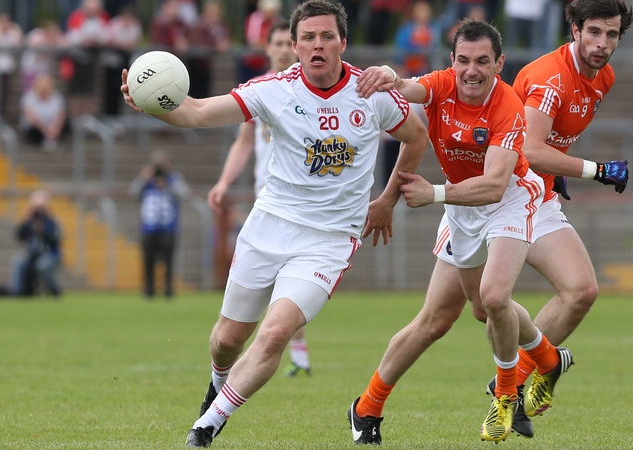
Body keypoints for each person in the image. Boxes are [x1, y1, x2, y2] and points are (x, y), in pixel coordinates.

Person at [120, 1, 429, 447]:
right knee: (227, 341)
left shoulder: (373, 92)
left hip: (329, 241)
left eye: (326, 37)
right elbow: (198, 112)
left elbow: (416, 136)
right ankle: (218, 382)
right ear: (296, 44)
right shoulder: (273, 89)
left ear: (343, 41)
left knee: (276, 333)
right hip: (270, 226)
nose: (317, 45)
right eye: (308, 37)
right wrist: (149, 102)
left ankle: (205, 427)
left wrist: (386, 200)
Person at [353, 0, 633, 441]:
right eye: (594, 32)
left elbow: (508, 175)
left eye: (611, 35)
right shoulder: (546, 82)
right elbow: (408, 88)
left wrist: (434, 192)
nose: (602, 43)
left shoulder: (590, 81)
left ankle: (509, 391)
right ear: (574, 29)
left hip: (516, 196)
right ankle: (367, 406)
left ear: (498, 64)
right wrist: (389, 75)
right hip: (468, 203)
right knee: (449, 316)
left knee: (550, 292)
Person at [206, 21, 312, 378]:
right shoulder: (260, 90)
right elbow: (244, 141)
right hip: (266, 200)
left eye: (288, 42)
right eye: (278, 43)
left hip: (303, 203)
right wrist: (223, 181)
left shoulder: (311, 87)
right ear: (268, 49)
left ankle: (296, 353)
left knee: (291, 282)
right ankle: (291, 352)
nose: (283, 49)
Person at [129, 151, 190, 299]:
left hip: (168, 228)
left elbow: (185, 194)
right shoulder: (147, 182)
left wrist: (170, 180)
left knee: (169, 260)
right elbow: (132, 193)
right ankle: (148, 289)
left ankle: (168, 289)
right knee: (148, 260)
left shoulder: (174, 180)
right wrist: (144, 177)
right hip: (149, 228)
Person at [10, 190, 62, 297]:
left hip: (49, 255)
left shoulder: (51, 221)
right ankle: (17, 292)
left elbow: (55, 239)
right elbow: (19, 235)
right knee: (18, 262)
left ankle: (53, 291)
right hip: (31, 255)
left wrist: (42, 230)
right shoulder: (29, 221)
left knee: (42, 266)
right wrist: (26, 220)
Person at [19, 73, 69, 152]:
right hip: (37, 127)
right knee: (34, 130)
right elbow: (32, 117)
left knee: (67, 124)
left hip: (53, 127)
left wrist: (54, 129)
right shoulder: (29, 97)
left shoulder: (57, 97)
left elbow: (60, 115)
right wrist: (46, 129)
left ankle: (52, 139)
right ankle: (48, 140)